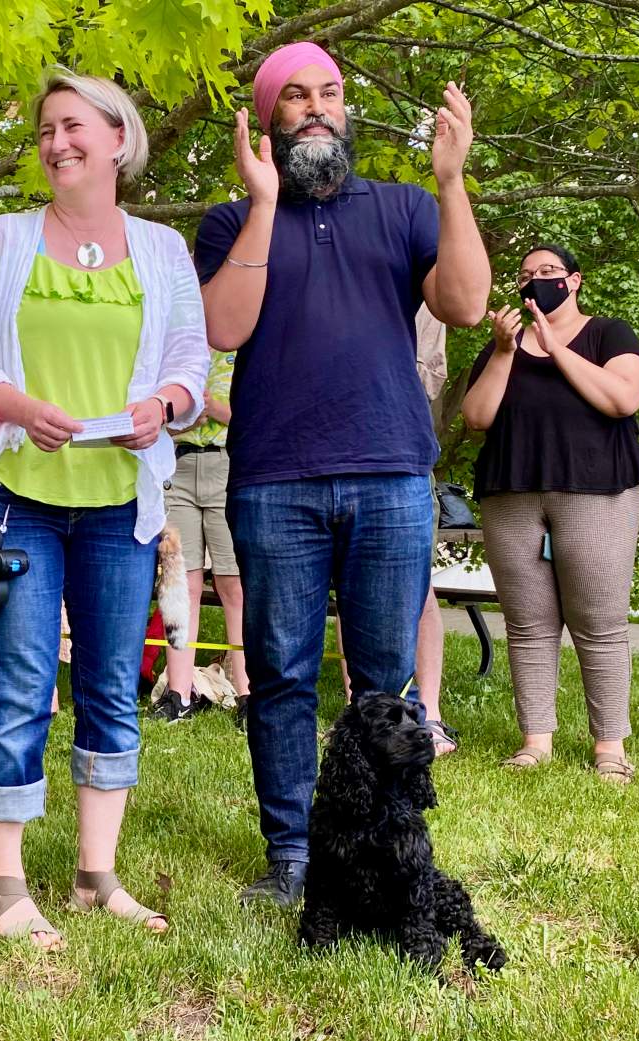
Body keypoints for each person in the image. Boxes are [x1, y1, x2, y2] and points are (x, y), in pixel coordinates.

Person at [194, 42, 490, 907]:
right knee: (280, 671)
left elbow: (467, 305)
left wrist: (451, 182)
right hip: (274, 477)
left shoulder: (403, 207)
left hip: (392, 471)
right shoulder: (229, 219)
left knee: (385, 677)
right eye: (295, 97)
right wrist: (261, 201)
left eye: (328, 92)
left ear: (347, 108)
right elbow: (224, 326)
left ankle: (391, 848)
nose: (316, 107)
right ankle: (293, 852)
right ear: (268, 116)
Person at [0, 69, 208, 948]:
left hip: (120, 508)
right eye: (47, 131)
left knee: (108, 686)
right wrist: (17, 408)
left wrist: (162, 407)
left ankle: (97, 878)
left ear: (119, 139)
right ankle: (6, 883)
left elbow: (190, 366)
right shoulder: (0, 241)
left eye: (72, 127)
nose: (57, 143)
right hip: (19, 498)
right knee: (21, 682)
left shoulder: (165, 252)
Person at [462, 244, 639, 783]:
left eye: (548, 272)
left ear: (574, 281)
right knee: (527, 625)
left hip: (597, 490)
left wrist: (554, 348)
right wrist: (504, 352)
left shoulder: (608, 334)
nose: (536, 281)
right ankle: (535, 741)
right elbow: (477, 417)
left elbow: (623, 399)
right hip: (512, 491)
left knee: (599, 624)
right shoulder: (503, 344)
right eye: (526, 275)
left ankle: (609, 747)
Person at [336, 306, 455, 753]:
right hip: (332, 456)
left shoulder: (418, 289)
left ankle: (429, 717)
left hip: (397, 456)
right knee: (351, 593)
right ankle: (360, 717)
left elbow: (429, 379)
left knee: (416, 591)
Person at [151, 348, 250, 722]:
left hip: (231, 465)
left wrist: (214, 408)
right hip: (179, 466)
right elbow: (161, 422)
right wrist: (189, 416)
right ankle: (179, 695)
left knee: (234, 585)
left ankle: (247, 693)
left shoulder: (248, 346)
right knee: (180, 584)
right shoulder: (183, 348)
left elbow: (261, 421)